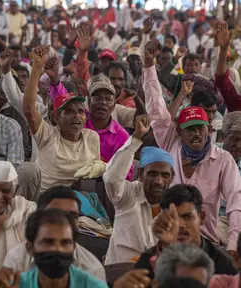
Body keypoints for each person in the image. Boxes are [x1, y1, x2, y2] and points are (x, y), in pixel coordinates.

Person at [143, 40, 241, 255]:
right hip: (166, 238)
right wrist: (149, 67)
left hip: (205, 243)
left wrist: (233, 245)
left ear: (209, 129)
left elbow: (235, 203)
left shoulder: (223, 159)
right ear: (179, 130)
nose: (196, 133)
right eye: (190, 129)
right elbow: (157, 109)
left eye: (200, 128)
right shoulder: (171, 143)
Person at [23, 45, 100, 192]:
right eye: (69, 111)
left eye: (80, 111)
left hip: (77, 202)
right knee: (26, 170)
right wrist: (37, 67)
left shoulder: (92, 137)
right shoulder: (48, 135)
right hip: (45, 199)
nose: (76, 115)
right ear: (56, 117)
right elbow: (29, 110)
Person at [103, 115, 175, 264]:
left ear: (172, 177)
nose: (158, 181)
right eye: (152, 174)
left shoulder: (173, 206)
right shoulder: (127, 194)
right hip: (119, 272)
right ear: (141, 174)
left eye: (165, 175)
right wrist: (136, 138)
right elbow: (111, 178)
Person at [0, 186, 106, 282]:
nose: (65, 221)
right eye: (56, 214)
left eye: (72, 216)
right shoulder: (17, 259)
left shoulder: (92, 269)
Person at [134, 184, 237, 281]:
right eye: (173, 218)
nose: (180, 225)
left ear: (201, 217)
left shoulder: (225, 266)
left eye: (187, 217)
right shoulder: (147, 263)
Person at [86, 74, 133, 170]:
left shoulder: (122, 136)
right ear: (89, 102)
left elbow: (125, 172)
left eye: (108, 99)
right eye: (98, 98)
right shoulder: (78, 126)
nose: (103, 102)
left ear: (114, 106)